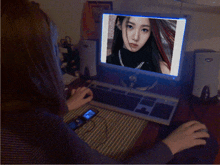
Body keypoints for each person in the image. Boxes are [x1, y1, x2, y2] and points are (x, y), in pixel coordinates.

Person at [1, 0, 218, 164]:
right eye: (53, 49)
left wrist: (65, 107)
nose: (59, 58)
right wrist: (172, 145)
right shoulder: (46, 129)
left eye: (145, 30)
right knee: (206, 145)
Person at [107, 15, 175, 74]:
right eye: (130, 26)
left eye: (144, 30)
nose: (136, 37)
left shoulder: (161, 69)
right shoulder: (107, 61)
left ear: (151, 32)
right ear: (119, 24)